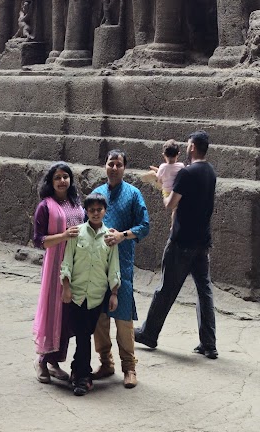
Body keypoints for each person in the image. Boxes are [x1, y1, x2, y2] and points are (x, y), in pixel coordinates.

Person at [136, 130, 217, 359]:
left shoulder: (187, 174)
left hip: (182, 240)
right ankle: (209, 344)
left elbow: (170, 205)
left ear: (192, 148)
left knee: (166, 288)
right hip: (203, 240)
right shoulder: (210, 172)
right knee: (204, 291)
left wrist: (160, 186)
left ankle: (149, 333)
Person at [88, 149, 150, 388]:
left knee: (123, 318)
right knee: (99, 318)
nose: (114, 168)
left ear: (125, 168)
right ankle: (105, 362)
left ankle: (129, 367)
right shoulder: (97, 194)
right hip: (97, 266)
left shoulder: (133, 195)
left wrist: (123, 235)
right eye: (110, 163)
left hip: (122, 265)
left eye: (118, 164)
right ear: (105, 166)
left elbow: (144, 225)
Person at [60, 193, 119, 396]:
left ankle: (77, 371)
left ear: (104, 211)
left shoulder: (110, 236)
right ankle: (82, 378)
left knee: (85, 335)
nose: (95, 213)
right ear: (86, 211)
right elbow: (67, 262)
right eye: (91, 210)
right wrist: (66, 287)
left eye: (99, 210)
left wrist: (114, 293)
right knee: (83, 336)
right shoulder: (77, 234)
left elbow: (113, 268)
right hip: (76, 295)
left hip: (96, 296)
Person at [32, 162, 84, 383]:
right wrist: (63, 236)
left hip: (76, 264)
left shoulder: (76, 203)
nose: (63, 181)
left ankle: (54, 361)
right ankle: (42, 360)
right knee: (53, 312)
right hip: (55, 267)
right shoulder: (45, 206)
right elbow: (39, 241)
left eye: (66, 177)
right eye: (58, 178)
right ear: (51, 182)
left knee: (67, 315)